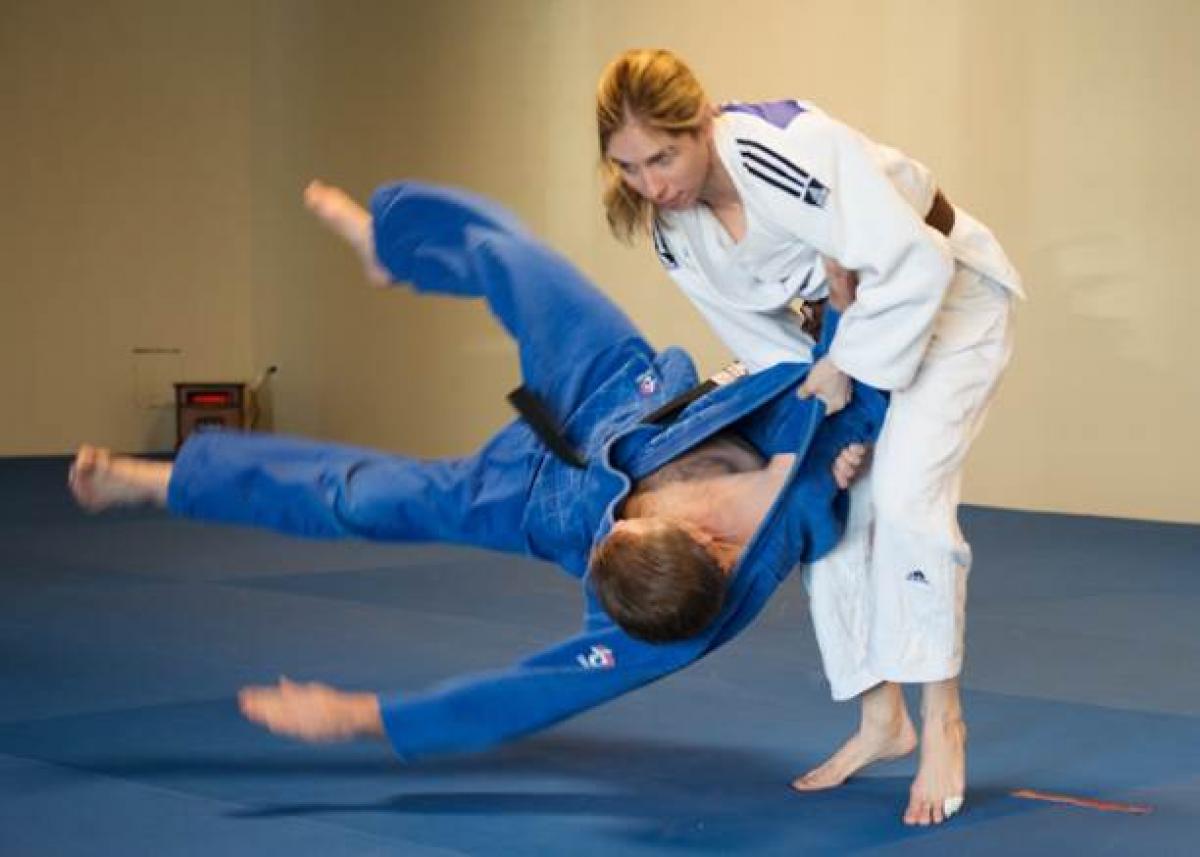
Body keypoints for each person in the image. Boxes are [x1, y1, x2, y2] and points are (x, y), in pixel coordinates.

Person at [69, 180, 885, 758]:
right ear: (700, 534)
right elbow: (854, 396)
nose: (626, 519)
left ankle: (159, 481)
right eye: (634, 526)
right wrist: (840, 319)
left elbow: (532, 690)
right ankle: (393, 245)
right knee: (522, 265)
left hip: (529, 501)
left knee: (360, 499)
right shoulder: (791, 489)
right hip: (615, 399)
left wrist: (363, 717)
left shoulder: (665, 627)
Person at [596, 48, 1024, 825]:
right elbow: (768, 352)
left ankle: (943, 723)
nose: (654, 184)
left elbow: (919, 265)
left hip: (954, 302)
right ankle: (879, 719)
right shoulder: (672, 232)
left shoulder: (782, 148)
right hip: (852, 334)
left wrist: (845, 358)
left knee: (903, 503)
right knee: (823, 517)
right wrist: (825, 428)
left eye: (663, 156)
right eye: (629, 167)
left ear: (700, 124)